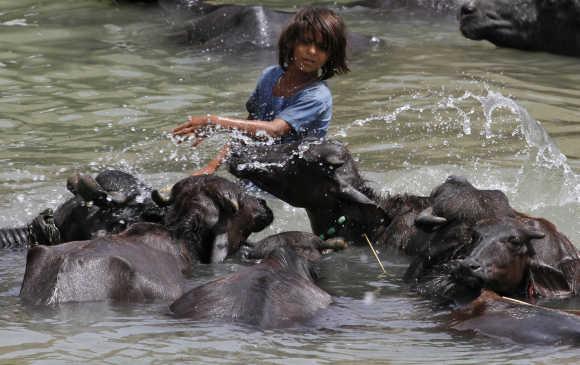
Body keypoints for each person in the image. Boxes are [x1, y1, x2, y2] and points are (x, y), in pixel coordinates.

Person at [173, 6, 350, 175]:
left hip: (295, 181)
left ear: (331, 55)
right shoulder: (270, 76)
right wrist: (212, 166)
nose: (312, 51)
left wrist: (213, 121)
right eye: (306, 42)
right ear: (291, 42)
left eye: (322, 47)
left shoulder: (317, 96)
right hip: (261, 173)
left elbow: (274, 130)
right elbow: (249, 130)